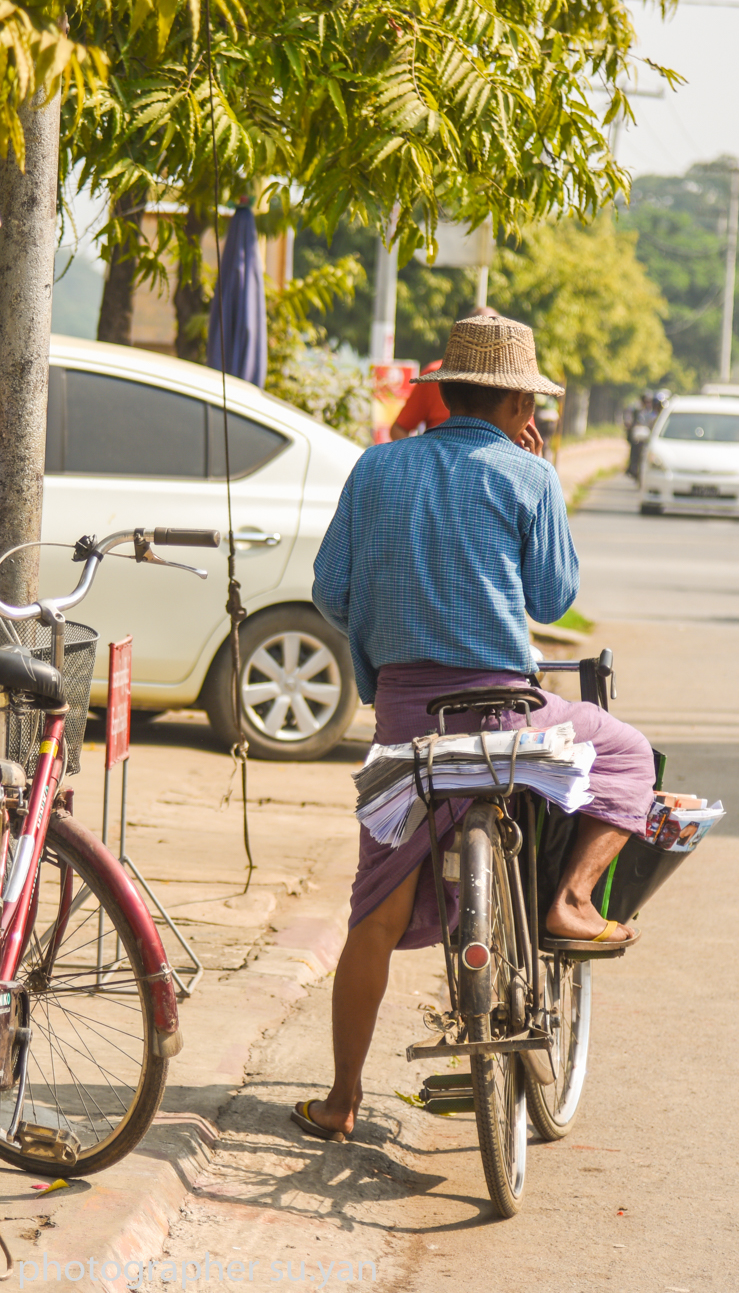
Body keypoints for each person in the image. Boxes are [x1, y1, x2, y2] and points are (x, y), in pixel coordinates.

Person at [300, 314, 656, 1142]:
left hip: (403, 729)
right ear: (512, 401)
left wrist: (385, 636)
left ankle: (342, 1100)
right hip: (503, 715)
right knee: (628, 751)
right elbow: (552, 599)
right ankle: (568, 900)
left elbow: (329, 589)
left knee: (373, 917)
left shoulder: (377, 468)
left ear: (446, 390)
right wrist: (540, 476)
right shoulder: (525, 475)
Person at [390, 305, 500, 440]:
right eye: (476, 333)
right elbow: (400, 428)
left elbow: (524, 437)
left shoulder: (512, 382)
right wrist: (418, 457)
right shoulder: (434, 375)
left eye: (492, 334)